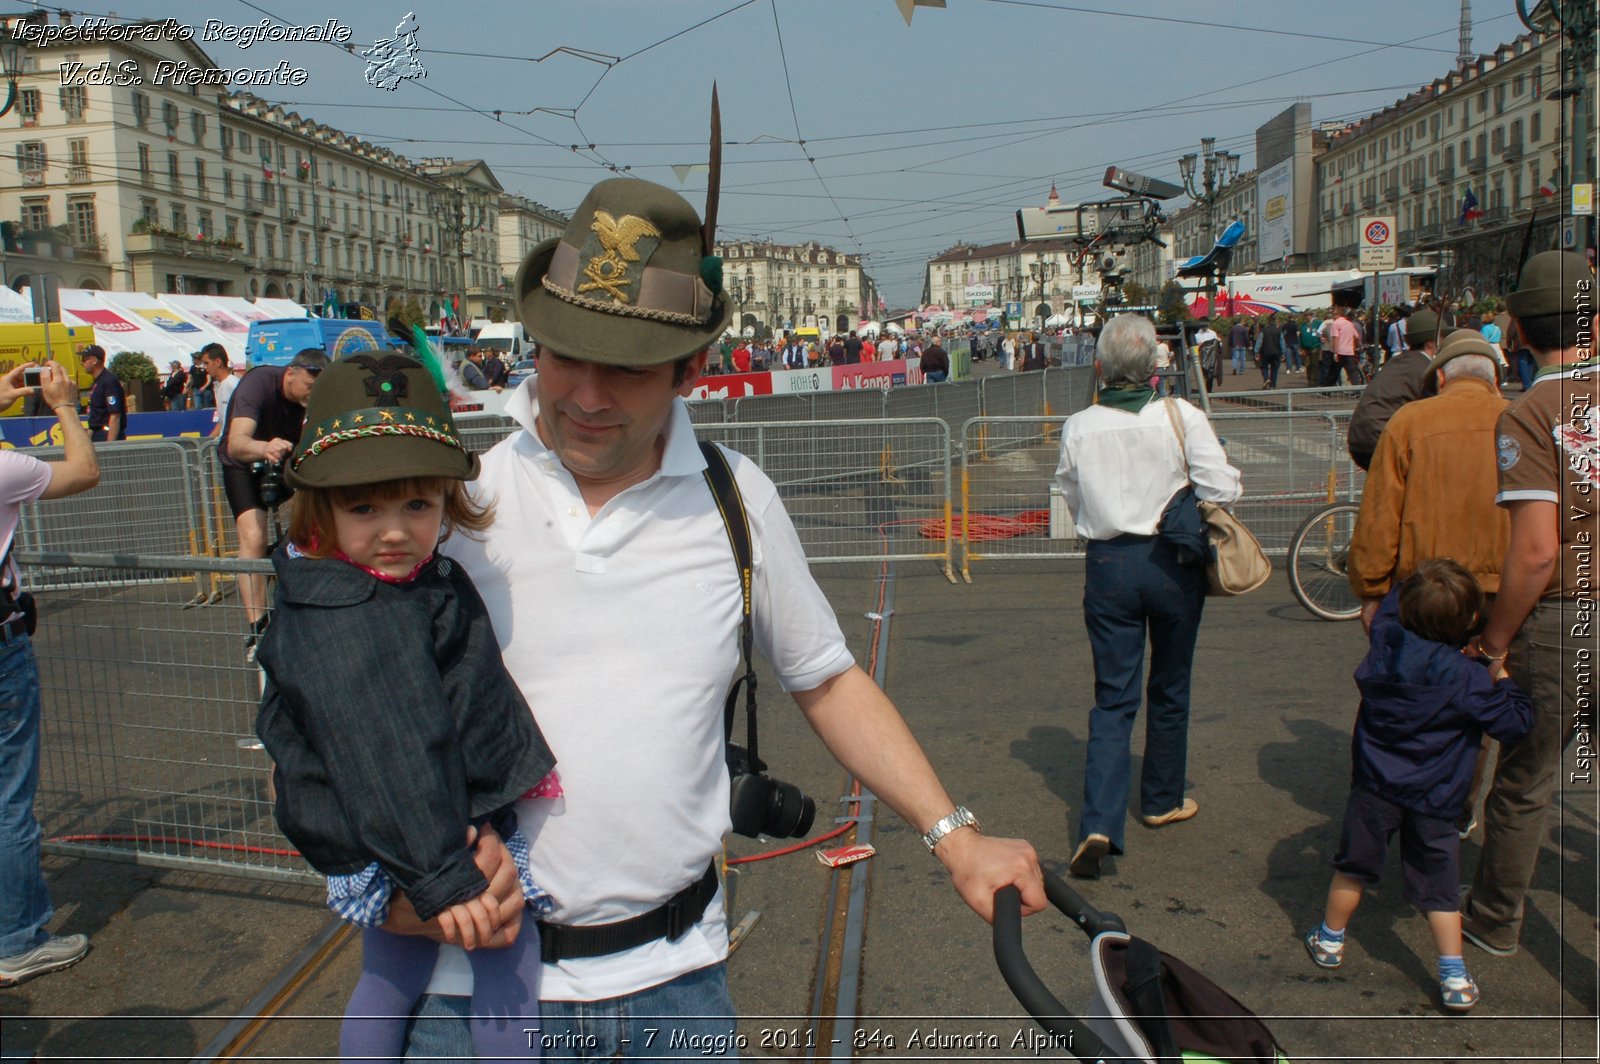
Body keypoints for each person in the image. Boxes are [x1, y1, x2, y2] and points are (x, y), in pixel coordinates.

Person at [389, 177, 1045, 1057]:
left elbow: (827, 679)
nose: (584, 394)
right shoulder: (450, 506)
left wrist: (954, 836)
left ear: (690, 370)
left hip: (676, 994)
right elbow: (331, 716)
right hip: (474, 999)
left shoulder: (736, 500)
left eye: (623, 367)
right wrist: (385, 883)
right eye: (562, 355)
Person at [255, 353, 558, 1062]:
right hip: (418, 836)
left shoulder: (370, 585)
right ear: (322, 509)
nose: (394, 530)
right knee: (508, 954)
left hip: (400, 829)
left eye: (417, 506)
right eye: (365, 508)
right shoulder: (357, 608)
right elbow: (388, 746)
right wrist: (443, 877)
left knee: (391, 971)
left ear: (444, 504)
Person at [1054, 314, 1241, 879]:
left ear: (1100, 368)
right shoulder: (1181, 416)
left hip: (1109, 563)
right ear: (1156, 367)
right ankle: (1161, 799)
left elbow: (1068, 488)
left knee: (1114, 694)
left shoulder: (1080, 425)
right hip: (1171, 562)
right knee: (1171, 681)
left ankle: (1099, 820)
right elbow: (1223, 486)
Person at [1302, 560, 1531, 1012]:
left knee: (1354, 866)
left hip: (1375, 786)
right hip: (1436, 796)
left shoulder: (1386, 642)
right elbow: (1514, 723)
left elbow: (1391, 606)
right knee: (1438, 886)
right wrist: (1503, 676)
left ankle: (1329, 939)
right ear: (1467, 622)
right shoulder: (1465, 677)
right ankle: (1453, 973)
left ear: (1406, 611)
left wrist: (1409, 579)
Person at [1460, 251, 1598, 958]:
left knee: (1528, 777)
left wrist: (1496, 638)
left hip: (1568, 617)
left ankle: (1493, 920)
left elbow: (1536, 552)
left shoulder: (1530, 415)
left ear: (1514, 333)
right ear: (1596, 326)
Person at [0, 360, 101, 988]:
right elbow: (85, 471)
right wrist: (64, 405)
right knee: (9, 801)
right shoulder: (6, 466)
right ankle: (16, 941)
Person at [220, 348, 329, 659]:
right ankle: (257, 624)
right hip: (244, 462)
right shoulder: (258, 383)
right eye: (309, 387)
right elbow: (237, 443)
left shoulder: (306, 399)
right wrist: (264, 447)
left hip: (282, 458)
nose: (312, 394)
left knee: (318, 516)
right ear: (290, 374)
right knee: (253, 536)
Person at [1345, 310, 1442, 471]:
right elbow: (1435, 410)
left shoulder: (1400, 361)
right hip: (1380, 439)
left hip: (1361, 438)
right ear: (1431, 342)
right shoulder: (1425, 368)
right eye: (1441, 338)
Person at [80, 345, 125, 443]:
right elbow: (95, 417)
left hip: (106, 434)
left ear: (94, 360)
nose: (81, 363)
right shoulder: (98, 381)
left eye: (84, 359)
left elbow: (115, 415)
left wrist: (109, 446)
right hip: (97, 433)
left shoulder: (108, 381)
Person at [199, 344, 236, 439]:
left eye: (206, 363)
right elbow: (222, 422)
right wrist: (206, 442)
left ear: (217, 362)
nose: (204, 367)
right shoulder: (219, 386)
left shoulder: (233, 384)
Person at [1321, 306, 1364, 386]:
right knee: (1352, 372)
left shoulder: (1336, 324)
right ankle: (1358, 390)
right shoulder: (1349, 324)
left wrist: (1335, 352)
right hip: (1349, 351)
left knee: (1333, 372)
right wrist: (1356, 347)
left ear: (1339, 315)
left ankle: (1326, 391)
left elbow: (1335, 338)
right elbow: (1356, 337)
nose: (1333, 317)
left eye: (1334, 315)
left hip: (1340, 351)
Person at [1300, 313, 1323, 386]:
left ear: (1311, 316)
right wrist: (1301, 348)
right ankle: (1309, 381)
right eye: (1305, 315)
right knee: (1308, 365)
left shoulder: (1317, 323)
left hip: (1315, 346)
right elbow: (1300, 337)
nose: (1307, 317)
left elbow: (1320, 333)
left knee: (1314, 365)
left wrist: (1316, 335)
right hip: (1305, 348)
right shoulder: (1303, 325)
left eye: (1308, 315)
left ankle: (1314, 382)